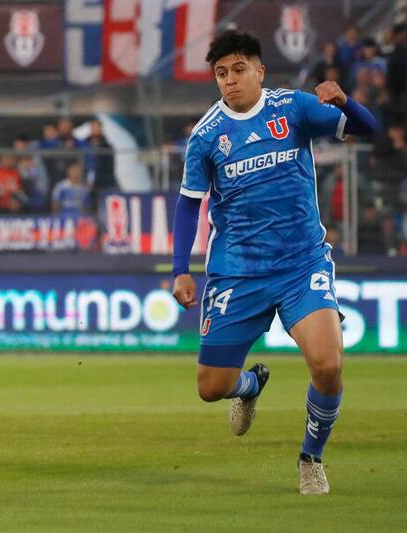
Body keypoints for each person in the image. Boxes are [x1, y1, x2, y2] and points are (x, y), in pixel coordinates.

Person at [171, 29, 375, 495]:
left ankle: (311, 458)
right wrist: (181, 268)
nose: (229, 80)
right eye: (221, 73)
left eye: (238, 69)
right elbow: (188, 205)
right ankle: (249, 386)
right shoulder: (206, 136)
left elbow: (367, 128)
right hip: (237, 272)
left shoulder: (294, 108)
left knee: (328, 365)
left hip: (302, 264)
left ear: (260, 71)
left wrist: (345, 102)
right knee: (210, 388)